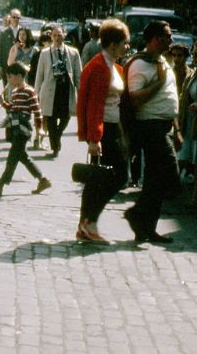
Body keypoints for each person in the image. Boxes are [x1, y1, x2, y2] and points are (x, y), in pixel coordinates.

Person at [123, 20, 181, 244]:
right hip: (150, 126)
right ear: (156, 39)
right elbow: (135, 98)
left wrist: (175, 128)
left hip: (164, 126)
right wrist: (159, 82)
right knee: (170, 177)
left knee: (155, 180)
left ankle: (145, 227)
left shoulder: (160, 61)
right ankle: (138, 214)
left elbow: (168, 96)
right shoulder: (140, 64)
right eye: (167, 36)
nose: (171, 40)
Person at [75, 19, 131, 244]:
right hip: (105, 129)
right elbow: (93, 104)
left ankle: (86, 224)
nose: (127, 47)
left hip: (112, 126)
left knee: (97, 179)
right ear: (112, 44)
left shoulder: (113, 66)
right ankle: (90, 222)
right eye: (124, 43)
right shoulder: (99, 66)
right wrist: (93, 138)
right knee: (117, 176)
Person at [0, 62, 51, 197]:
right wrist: (2, 102)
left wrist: (39, 129)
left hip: (23, 130)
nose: (8, 80)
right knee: (23, 157)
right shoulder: (15, 92)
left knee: (12, 159)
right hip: (15, 128)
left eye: (10, 77)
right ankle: (42, 180)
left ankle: (0, 185)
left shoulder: (29, 91)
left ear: (19, 76)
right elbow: (13, 108)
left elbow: (37, 111)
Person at [34, 24, 82, 157]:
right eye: (54, 35)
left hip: (65, 90)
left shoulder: (73, 53)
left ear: (64, 35)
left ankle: (58, 134)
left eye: (60, 35)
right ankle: (55, 147)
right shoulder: (44, 53)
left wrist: (81, 91)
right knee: (50, 119)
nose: (57, 38)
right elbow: (39, 75)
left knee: (66, 117)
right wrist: (36, 93)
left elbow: (78, 74)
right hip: (50, 90)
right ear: (51, 36)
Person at [177, 41, 197, 208]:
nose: (194, 58)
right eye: (193, 54)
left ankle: (196, 198)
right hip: (189, 123)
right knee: (184, 157)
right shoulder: (192, 75)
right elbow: (183, 98)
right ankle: (173, 188)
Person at [0, 10, 22, 85]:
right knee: (7, 91)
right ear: (10, 18)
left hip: (20, 67)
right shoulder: (3, 33)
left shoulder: (23, 31)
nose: (16, 19)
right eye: (14, 17)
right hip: (6, 66)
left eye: (18, 18)